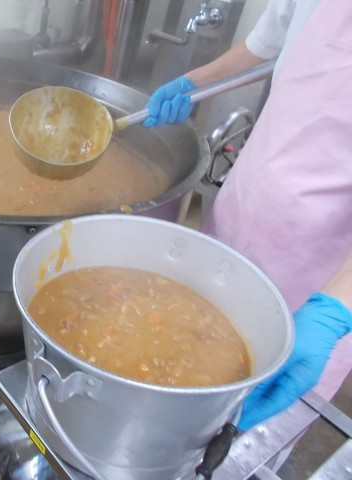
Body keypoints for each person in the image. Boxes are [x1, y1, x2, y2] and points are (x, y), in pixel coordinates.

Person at [142, 0, 352, 431]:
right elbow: (267, 41)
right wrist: (194, 82)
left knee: (251, 428)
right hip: (244, 206)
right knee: (175, 357)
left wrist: (336, 308)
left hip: (316, 275)